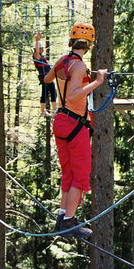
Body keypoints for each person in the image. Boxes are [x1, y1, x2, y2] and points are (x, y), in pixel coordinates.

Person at [44, 22, 107, 238]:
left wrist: (69, 71)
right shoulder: (79, 66)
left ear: (72, 41)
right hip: (75, 124)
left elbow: (47, 79)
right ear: (89, 44)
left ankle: (62, 217)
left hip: (61, 121)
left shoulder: (64, 61)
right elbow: (73, 95)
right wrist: (97, 81)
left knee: (68, 172)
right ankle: (69, 221)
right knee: (80, 176)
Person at [33, 32, 57, 116]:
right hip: (45, 77)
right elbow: (36, 51)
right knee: (47, 93)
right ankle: (46, 111)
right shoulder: (37, 56)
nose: (43, 49)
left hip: (48, 77)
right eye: (41, 48)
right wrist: (37, 39)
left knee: (51, 92)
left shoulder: (42, 57)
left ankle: (51, 110)